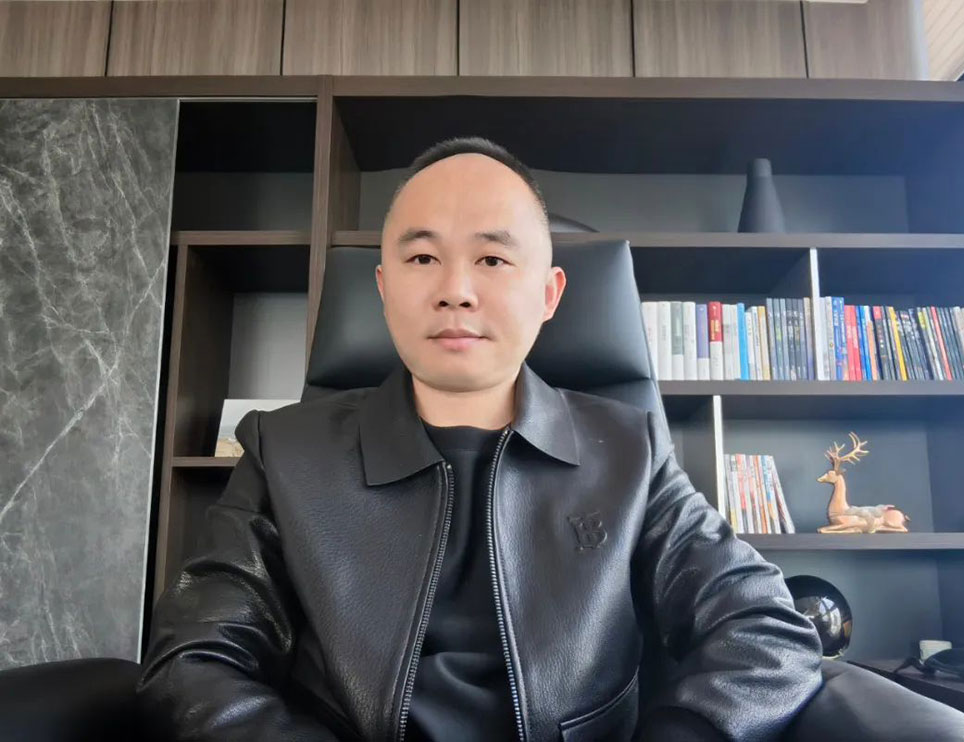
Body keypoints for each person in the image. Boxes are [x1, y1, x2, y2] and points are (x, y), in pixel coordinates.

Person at [136, 136, 823, 741]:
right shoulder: (283, 450)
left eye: (492, 259)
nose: (456, 290)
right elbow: (193, 660)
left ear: (549, 294)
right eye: (422, 257)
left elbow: (765, 631)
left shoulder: (629, 453)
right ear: (383, 288)